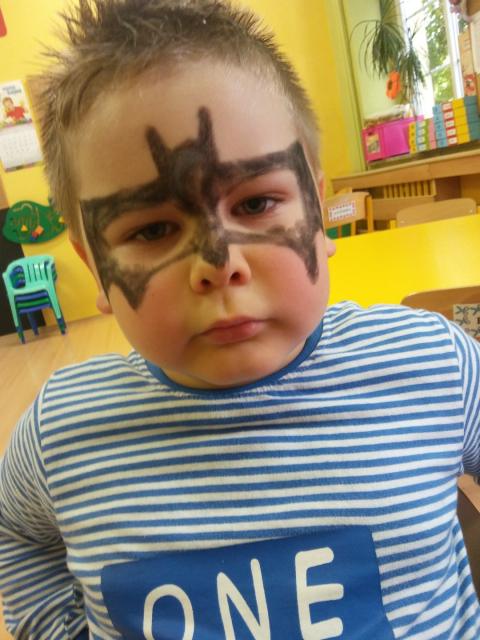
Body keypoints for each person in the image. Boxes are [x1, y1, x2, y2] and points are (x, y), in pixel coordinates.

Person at [0, 1, 479, 638]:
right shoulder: (61, 434)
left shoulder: (431, 366)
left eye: (255, 203)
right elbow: (16, 533)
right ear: (95, 269)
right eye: (152, 230)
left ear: (318, 212)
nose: (217, 264)